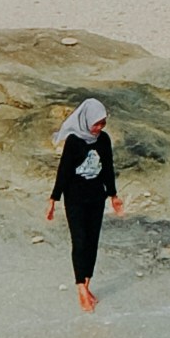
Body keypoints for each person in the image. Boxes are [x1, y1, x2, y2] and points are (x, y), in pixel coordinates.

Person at [46, 96, 122, 309]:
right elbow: (63, 172)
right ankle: (80, 287)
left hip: (96, 198)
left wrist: (113, 195)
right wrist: (53, 199)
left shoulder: (104, 140)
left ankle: (87, 284)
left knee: (92, 242)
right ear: (86, 120)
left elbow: (108, 168)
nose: (99, 127)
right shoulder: (74, 142)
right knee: (79, 241)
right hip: (76, 199)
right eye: (96, 123)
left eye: (102, 123)